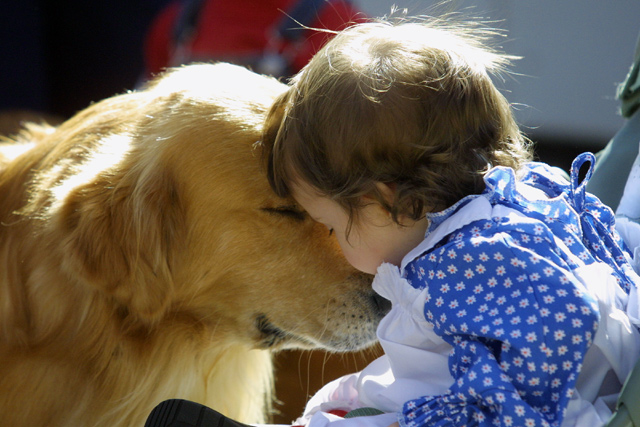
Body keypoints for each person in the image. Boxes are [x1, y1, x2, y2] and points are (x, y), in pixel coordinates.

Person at [146, 17, 640, 427]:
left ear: (387, 199)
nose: (337, 249)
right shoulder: (490, 220)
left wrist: (492, 408)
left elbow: (564, 309)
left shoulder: (479, 259)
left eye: (334, 227)